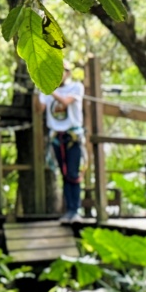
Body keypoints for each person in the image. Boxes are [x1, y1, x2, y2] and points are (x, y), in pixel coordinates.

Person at [38, 61, 85, 223]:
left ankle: (75, 209)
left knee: (73, 172)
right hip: (56, 137)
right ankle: (69, 210)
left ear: (68, 73)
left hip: (72, 136)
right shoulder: (47, 91)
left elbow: (65, 102)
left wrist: (49, 89)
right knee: (64, 174)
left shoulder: (76, 87)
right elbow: (40, 110)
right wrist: (39, 90)